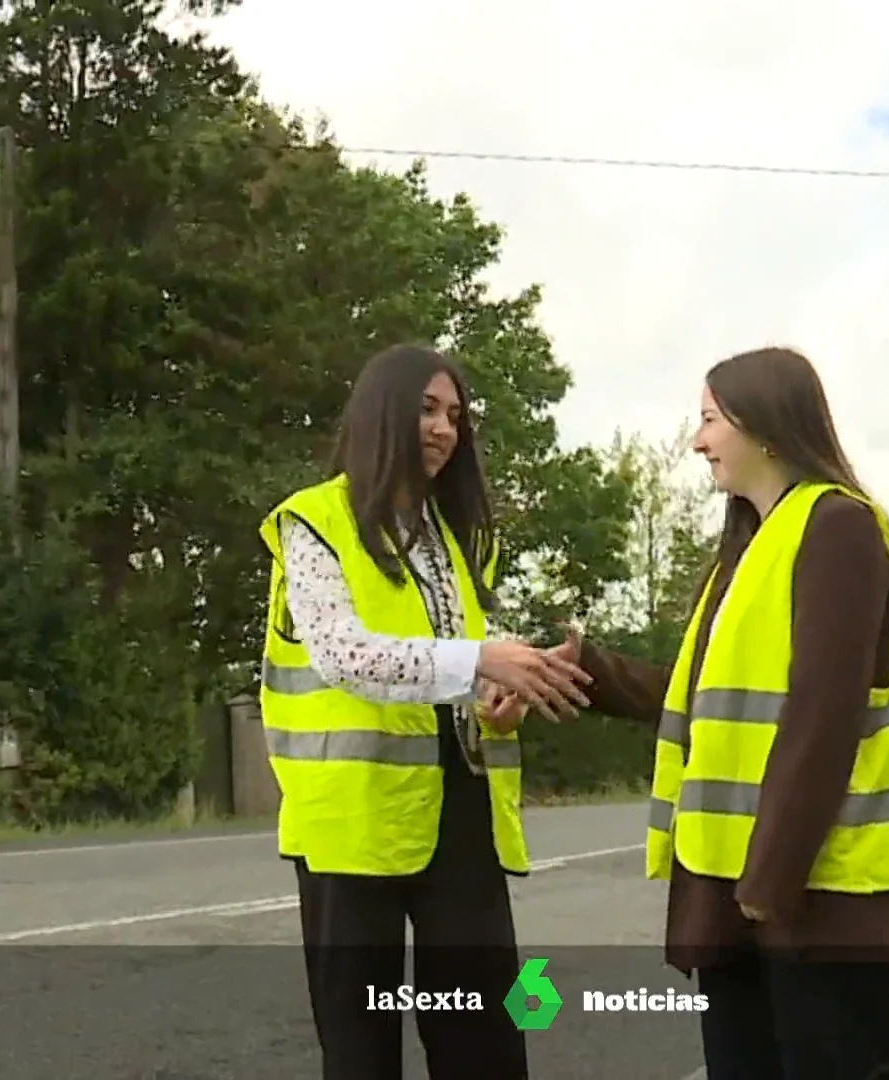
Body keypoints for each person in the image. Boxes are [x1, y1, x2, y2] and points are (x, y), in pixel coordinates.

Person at [492, 346, 889, 1079]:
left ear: (767, 426)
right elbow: (693, 698)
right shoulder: (745, 550)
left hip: (809, 896)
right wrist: (575, 669)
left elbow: (823, 718)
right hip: (736, 891)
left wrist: (770, 883)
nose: (697, 441)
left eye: (710, 420)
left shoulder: (837, 528)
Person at [255, 343, 594, 1080]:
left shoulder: (458, 537)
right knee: (361, 1047)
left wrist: (501, 698)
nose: (444, 429)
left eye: (456, 416)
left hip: (459, 805)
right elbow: (346, 654)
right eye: (427, 410)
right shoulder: (313, 523)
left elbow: (454, 663)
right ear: (381, 414)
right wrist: (480, 662)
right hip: (352, 822)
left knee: (487, 1037)